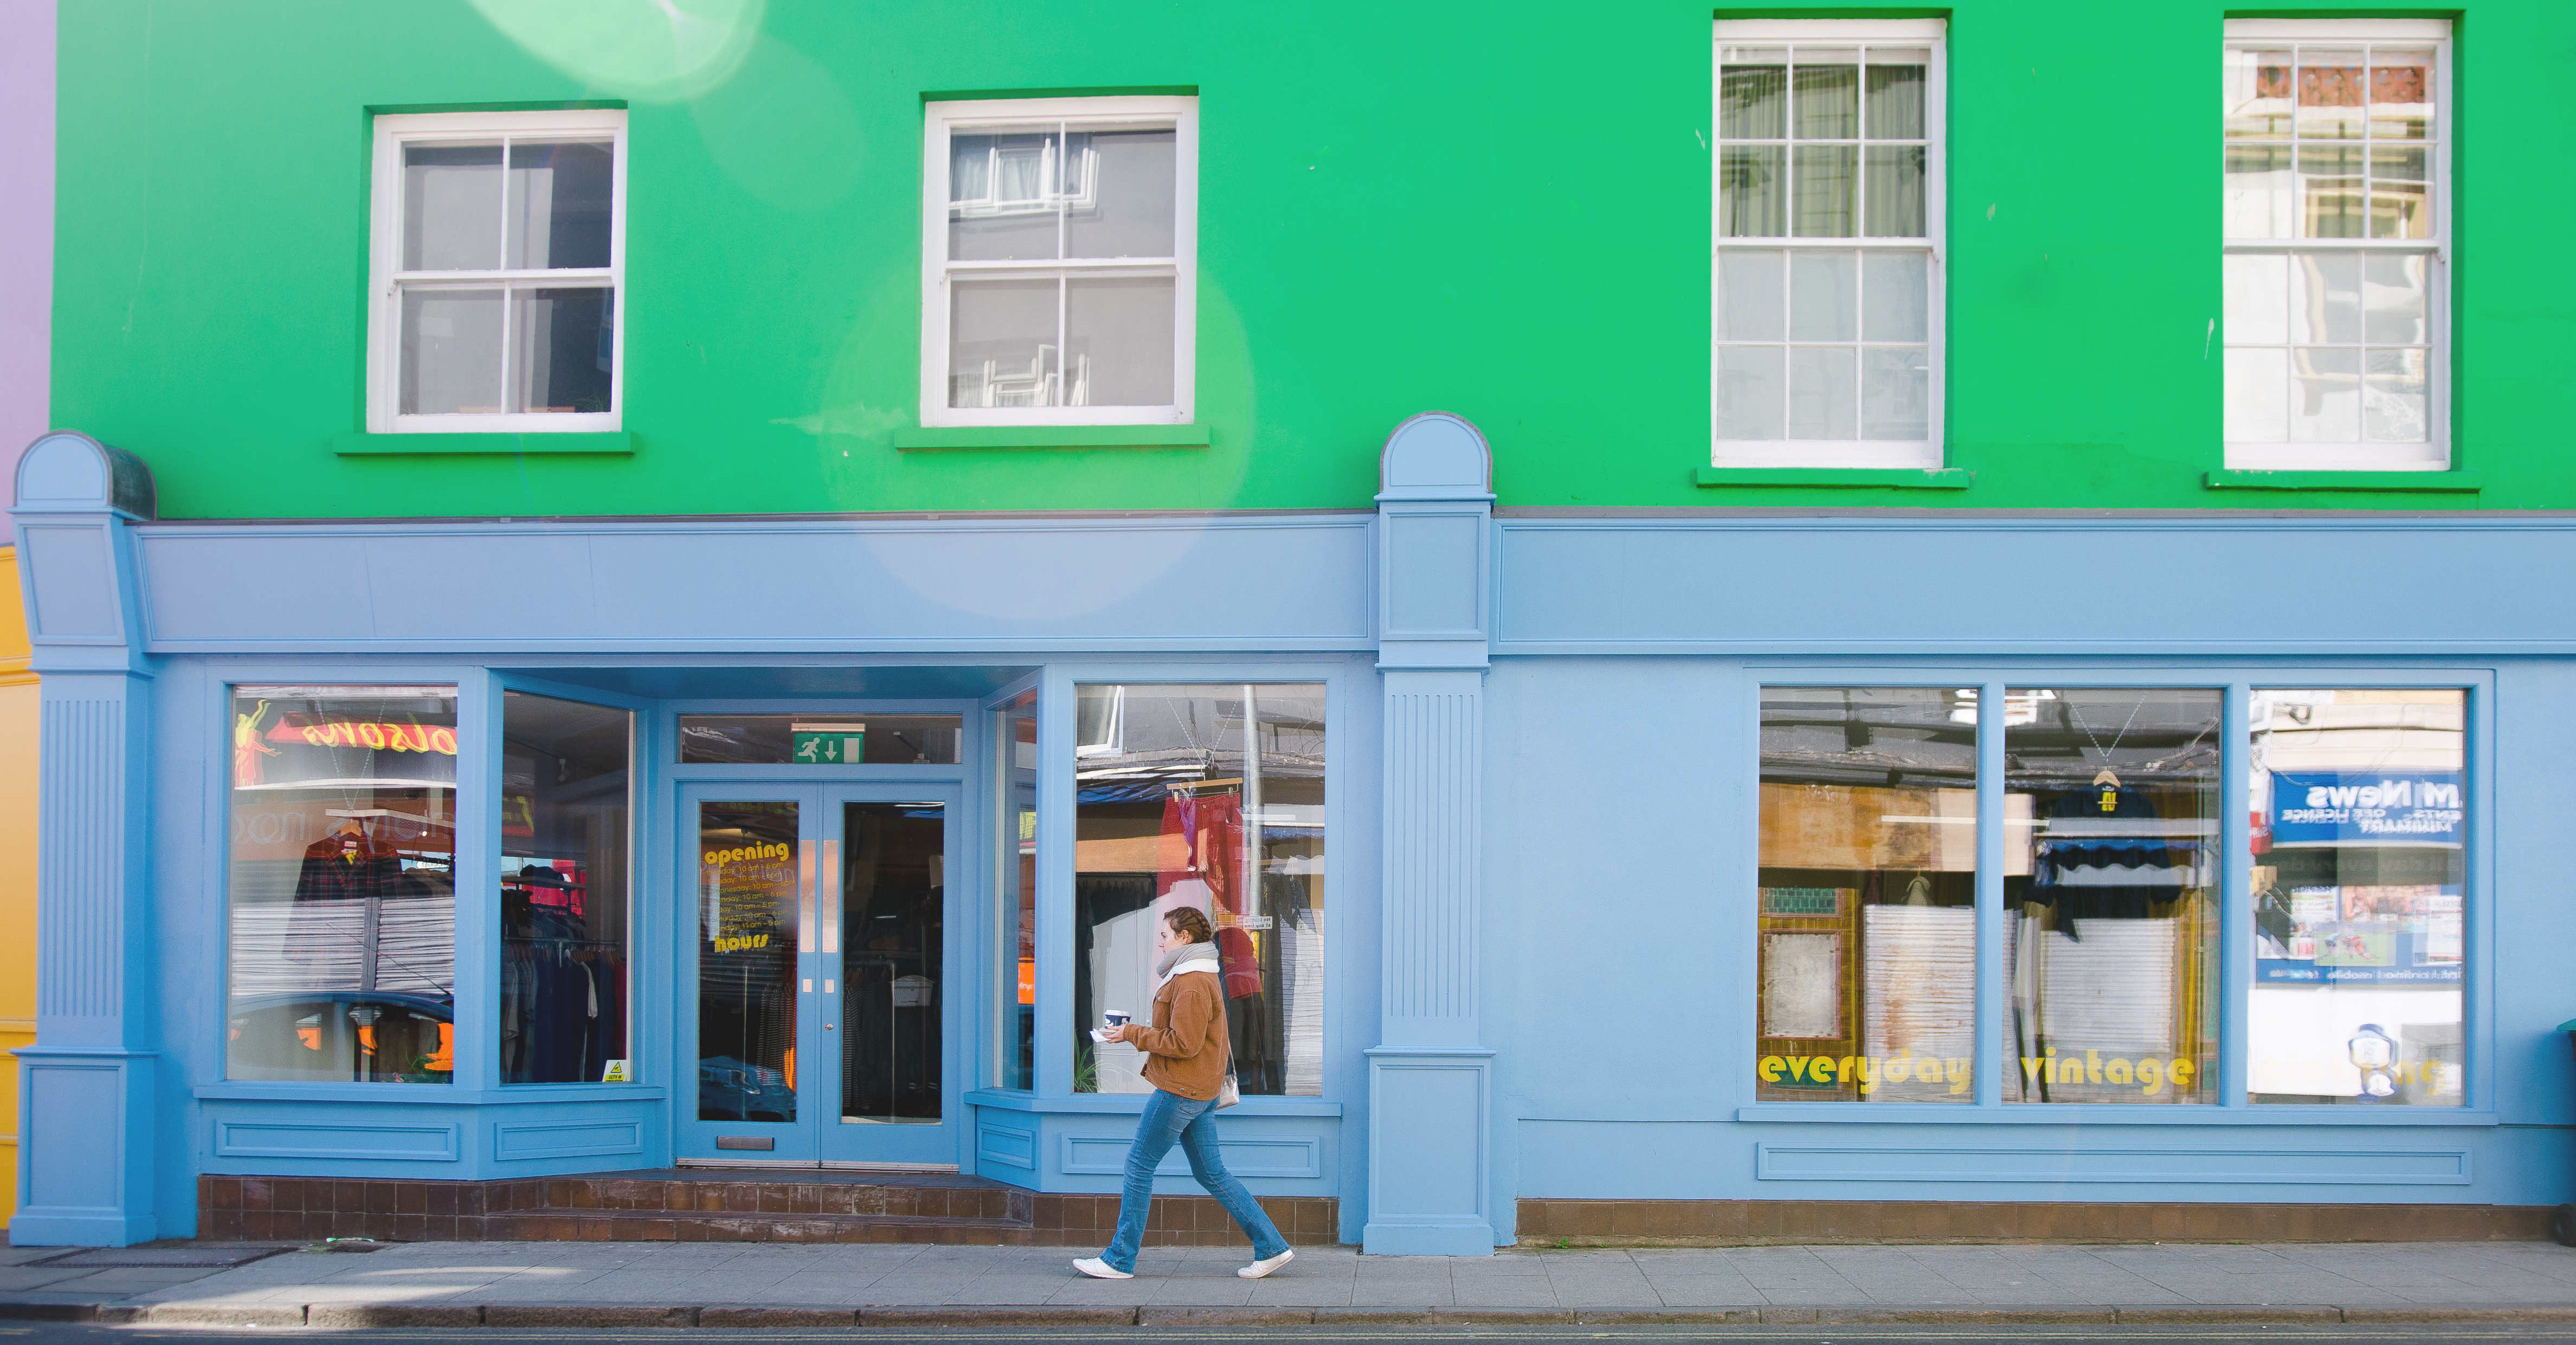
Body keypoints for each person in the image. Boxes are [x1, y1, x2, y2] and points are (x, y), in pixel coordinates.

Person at [1072, 906, 1294, 1281]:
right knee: (1213, 1174)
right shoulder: (1195, 975)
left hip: (1182, 1090)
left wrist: (1130, 1033)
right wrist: (1134, 1032)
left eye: (1165, 936)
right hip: (1199, 1089)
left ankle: (1119, 1259)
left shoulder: (1191, 981)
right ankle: (1271, 1247)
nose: (1161, 943)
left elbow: (1184, 1044)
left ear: (1184, 938)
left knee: (1139, 1166)